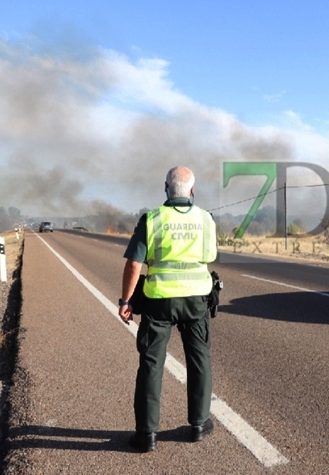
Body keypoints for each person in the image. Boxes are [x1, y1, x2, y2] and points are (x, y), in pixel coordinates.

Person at [119, 166, 218, 453]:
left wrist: (126, 301)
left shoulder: (152, 219)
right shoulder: (206, 219)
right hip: (197, 299)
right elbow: (210, 255)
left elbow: (134, 265)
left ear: (166, 187)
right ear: (193, 191)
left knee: (151, 364)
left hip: (159, 300)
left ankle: (146, 434)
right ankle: (199, 424)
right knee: (200, 359)